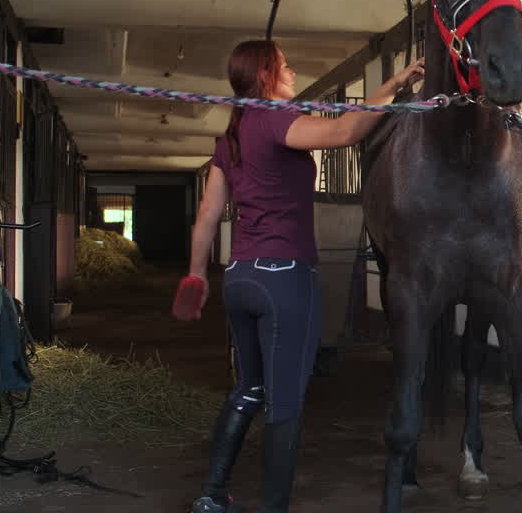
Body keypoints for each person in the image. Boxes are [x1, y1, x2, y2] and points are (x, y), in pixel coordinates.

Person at [180, 39, 425, 513]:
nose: (292, 71)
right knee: (285, 402)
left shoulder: (230, 136)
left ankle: (212, 493)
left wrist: (195, 276)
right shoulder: (275, 122)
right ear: (267, 74)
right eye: (286, 65)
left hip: (241, 278)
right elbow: (347, 132)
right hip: (284, 280)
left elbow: (207, 217)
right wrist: (394, 87)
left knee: (249, 388)